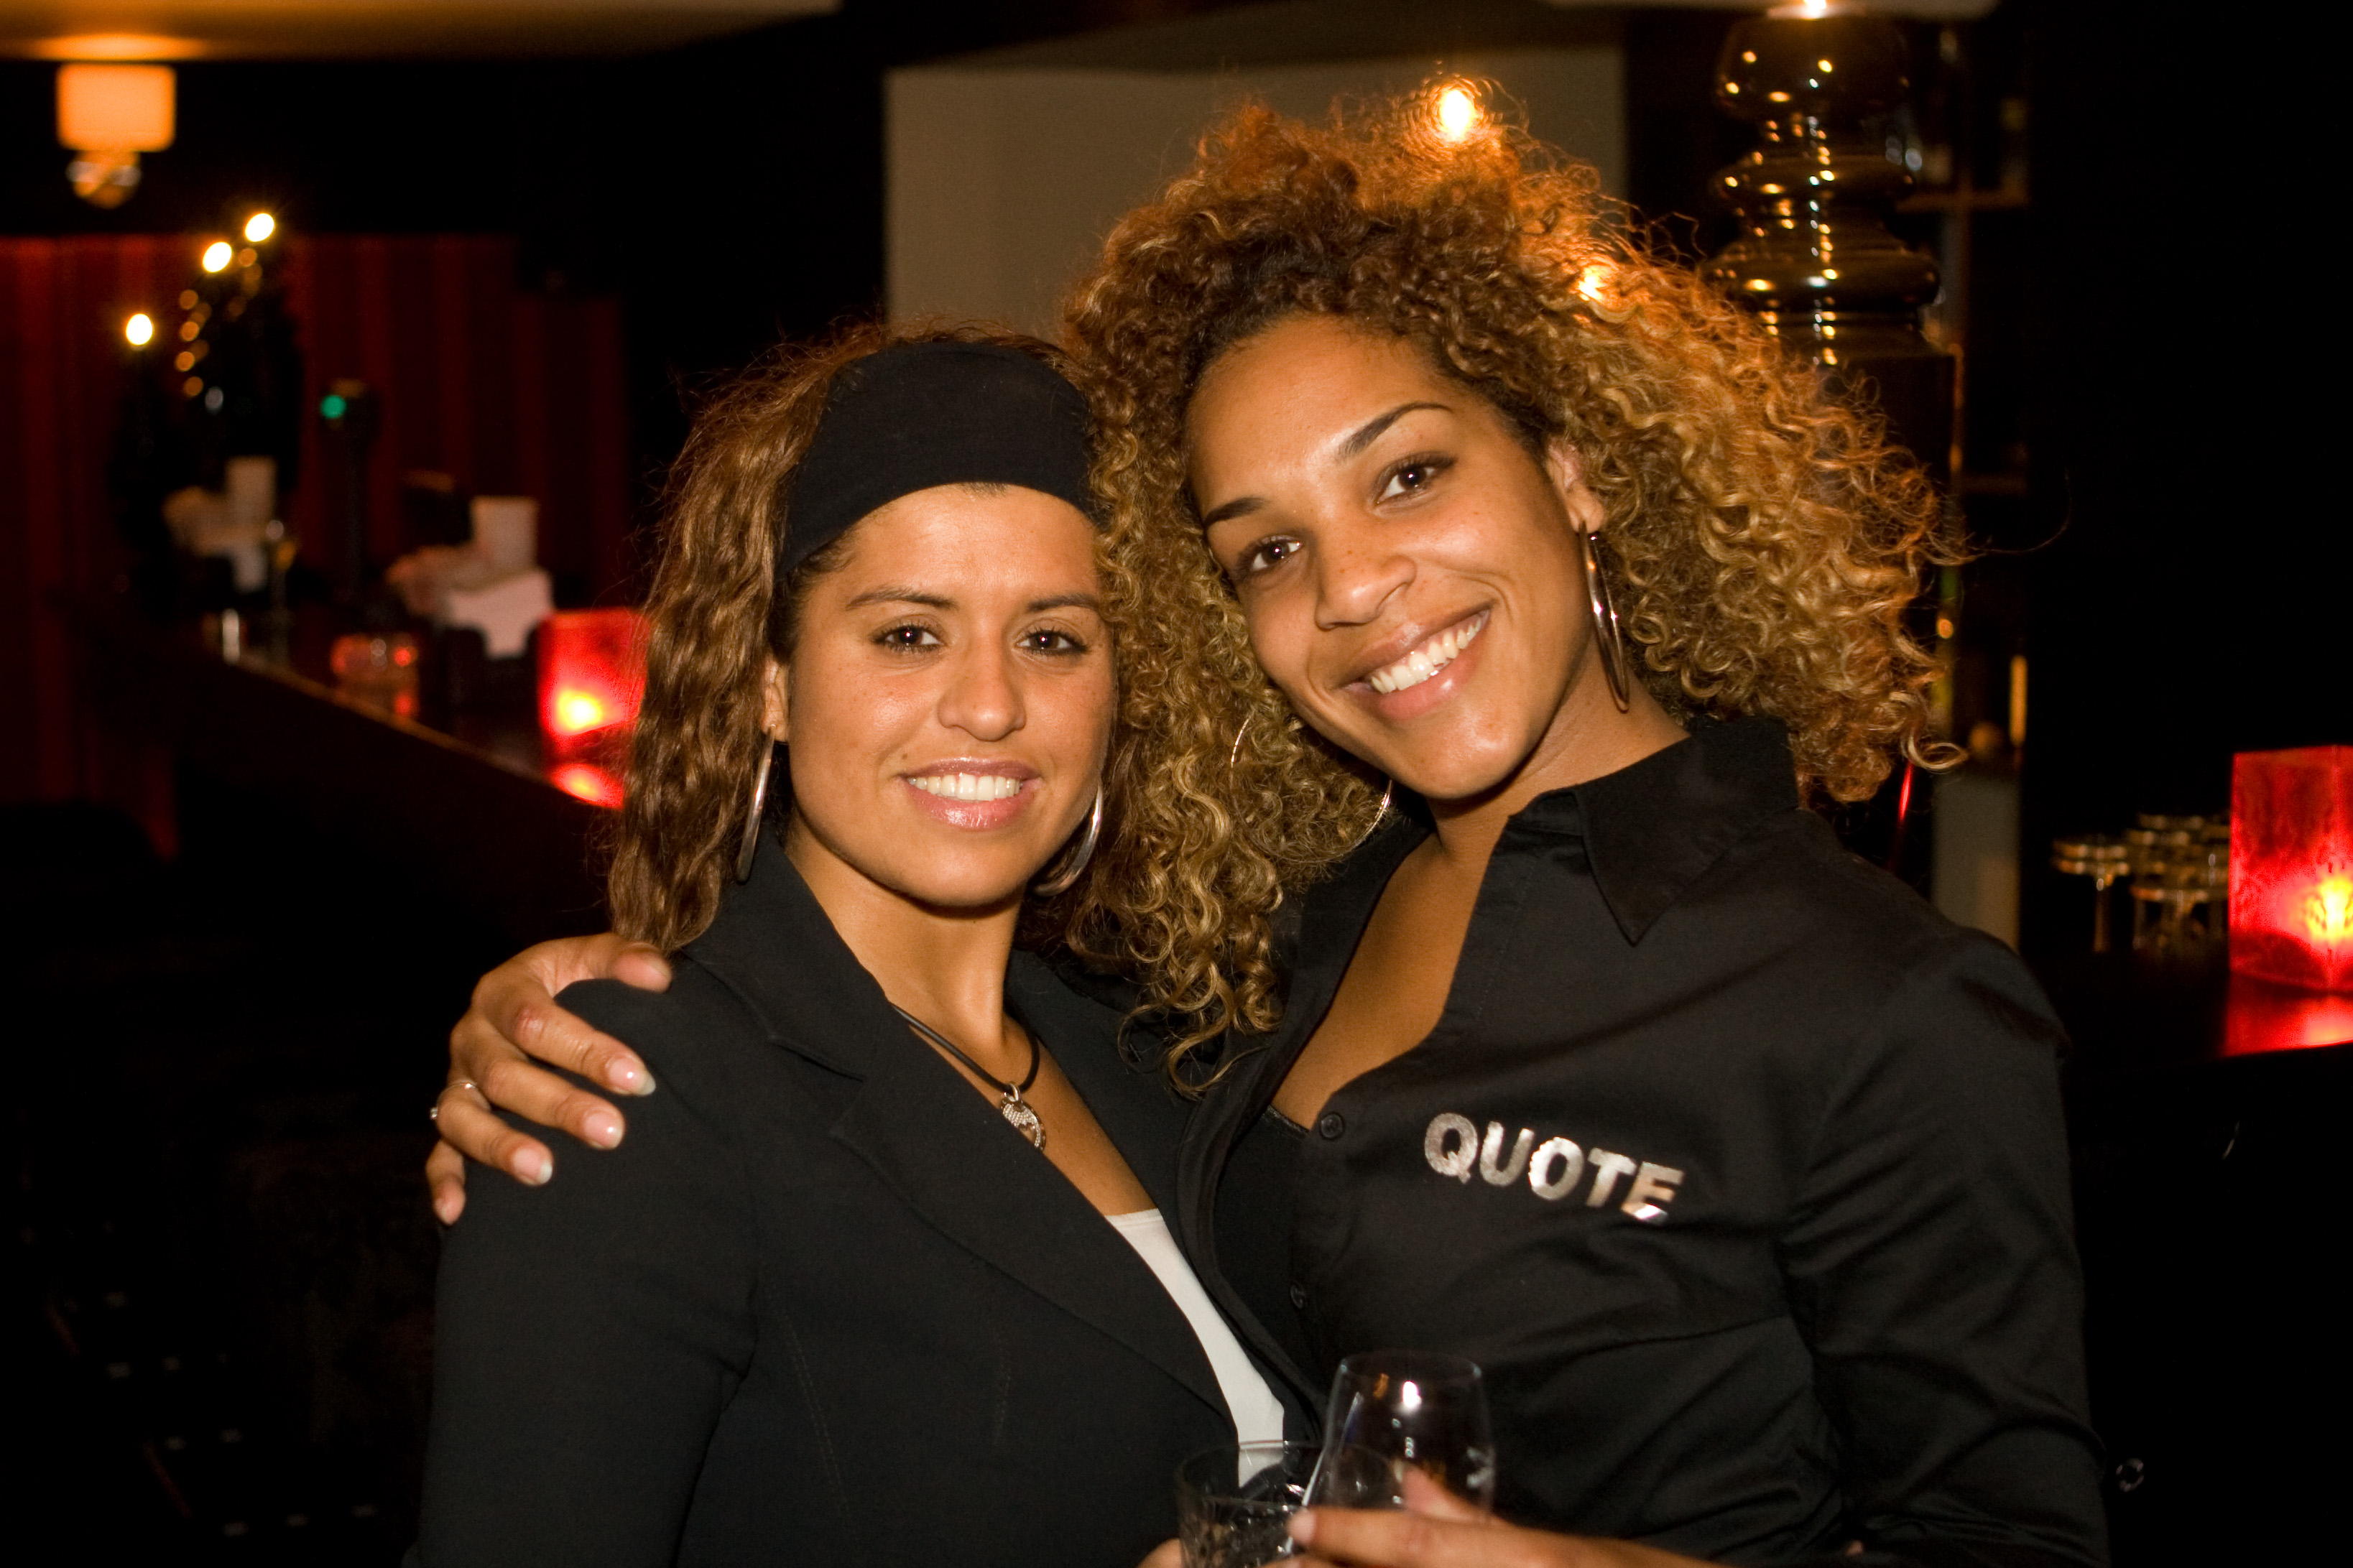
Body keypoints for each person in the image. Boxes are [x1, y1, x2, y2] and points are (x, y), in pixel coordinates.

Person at [428, 100, 2105, 1568]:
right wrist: (572, 1022)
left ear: (1577, 465)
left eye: (1407, 476)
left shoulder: (1885, 1008)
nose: (1356, 588)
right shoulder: (1263, 958)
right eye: (1267, 552)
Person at [413, 328, 1295, 1568]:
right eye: (908, 634)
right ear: (770, 680)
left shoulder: (1161, 1048)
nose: (989, 704)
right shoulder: (622, 1089)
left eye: (1053, 637)